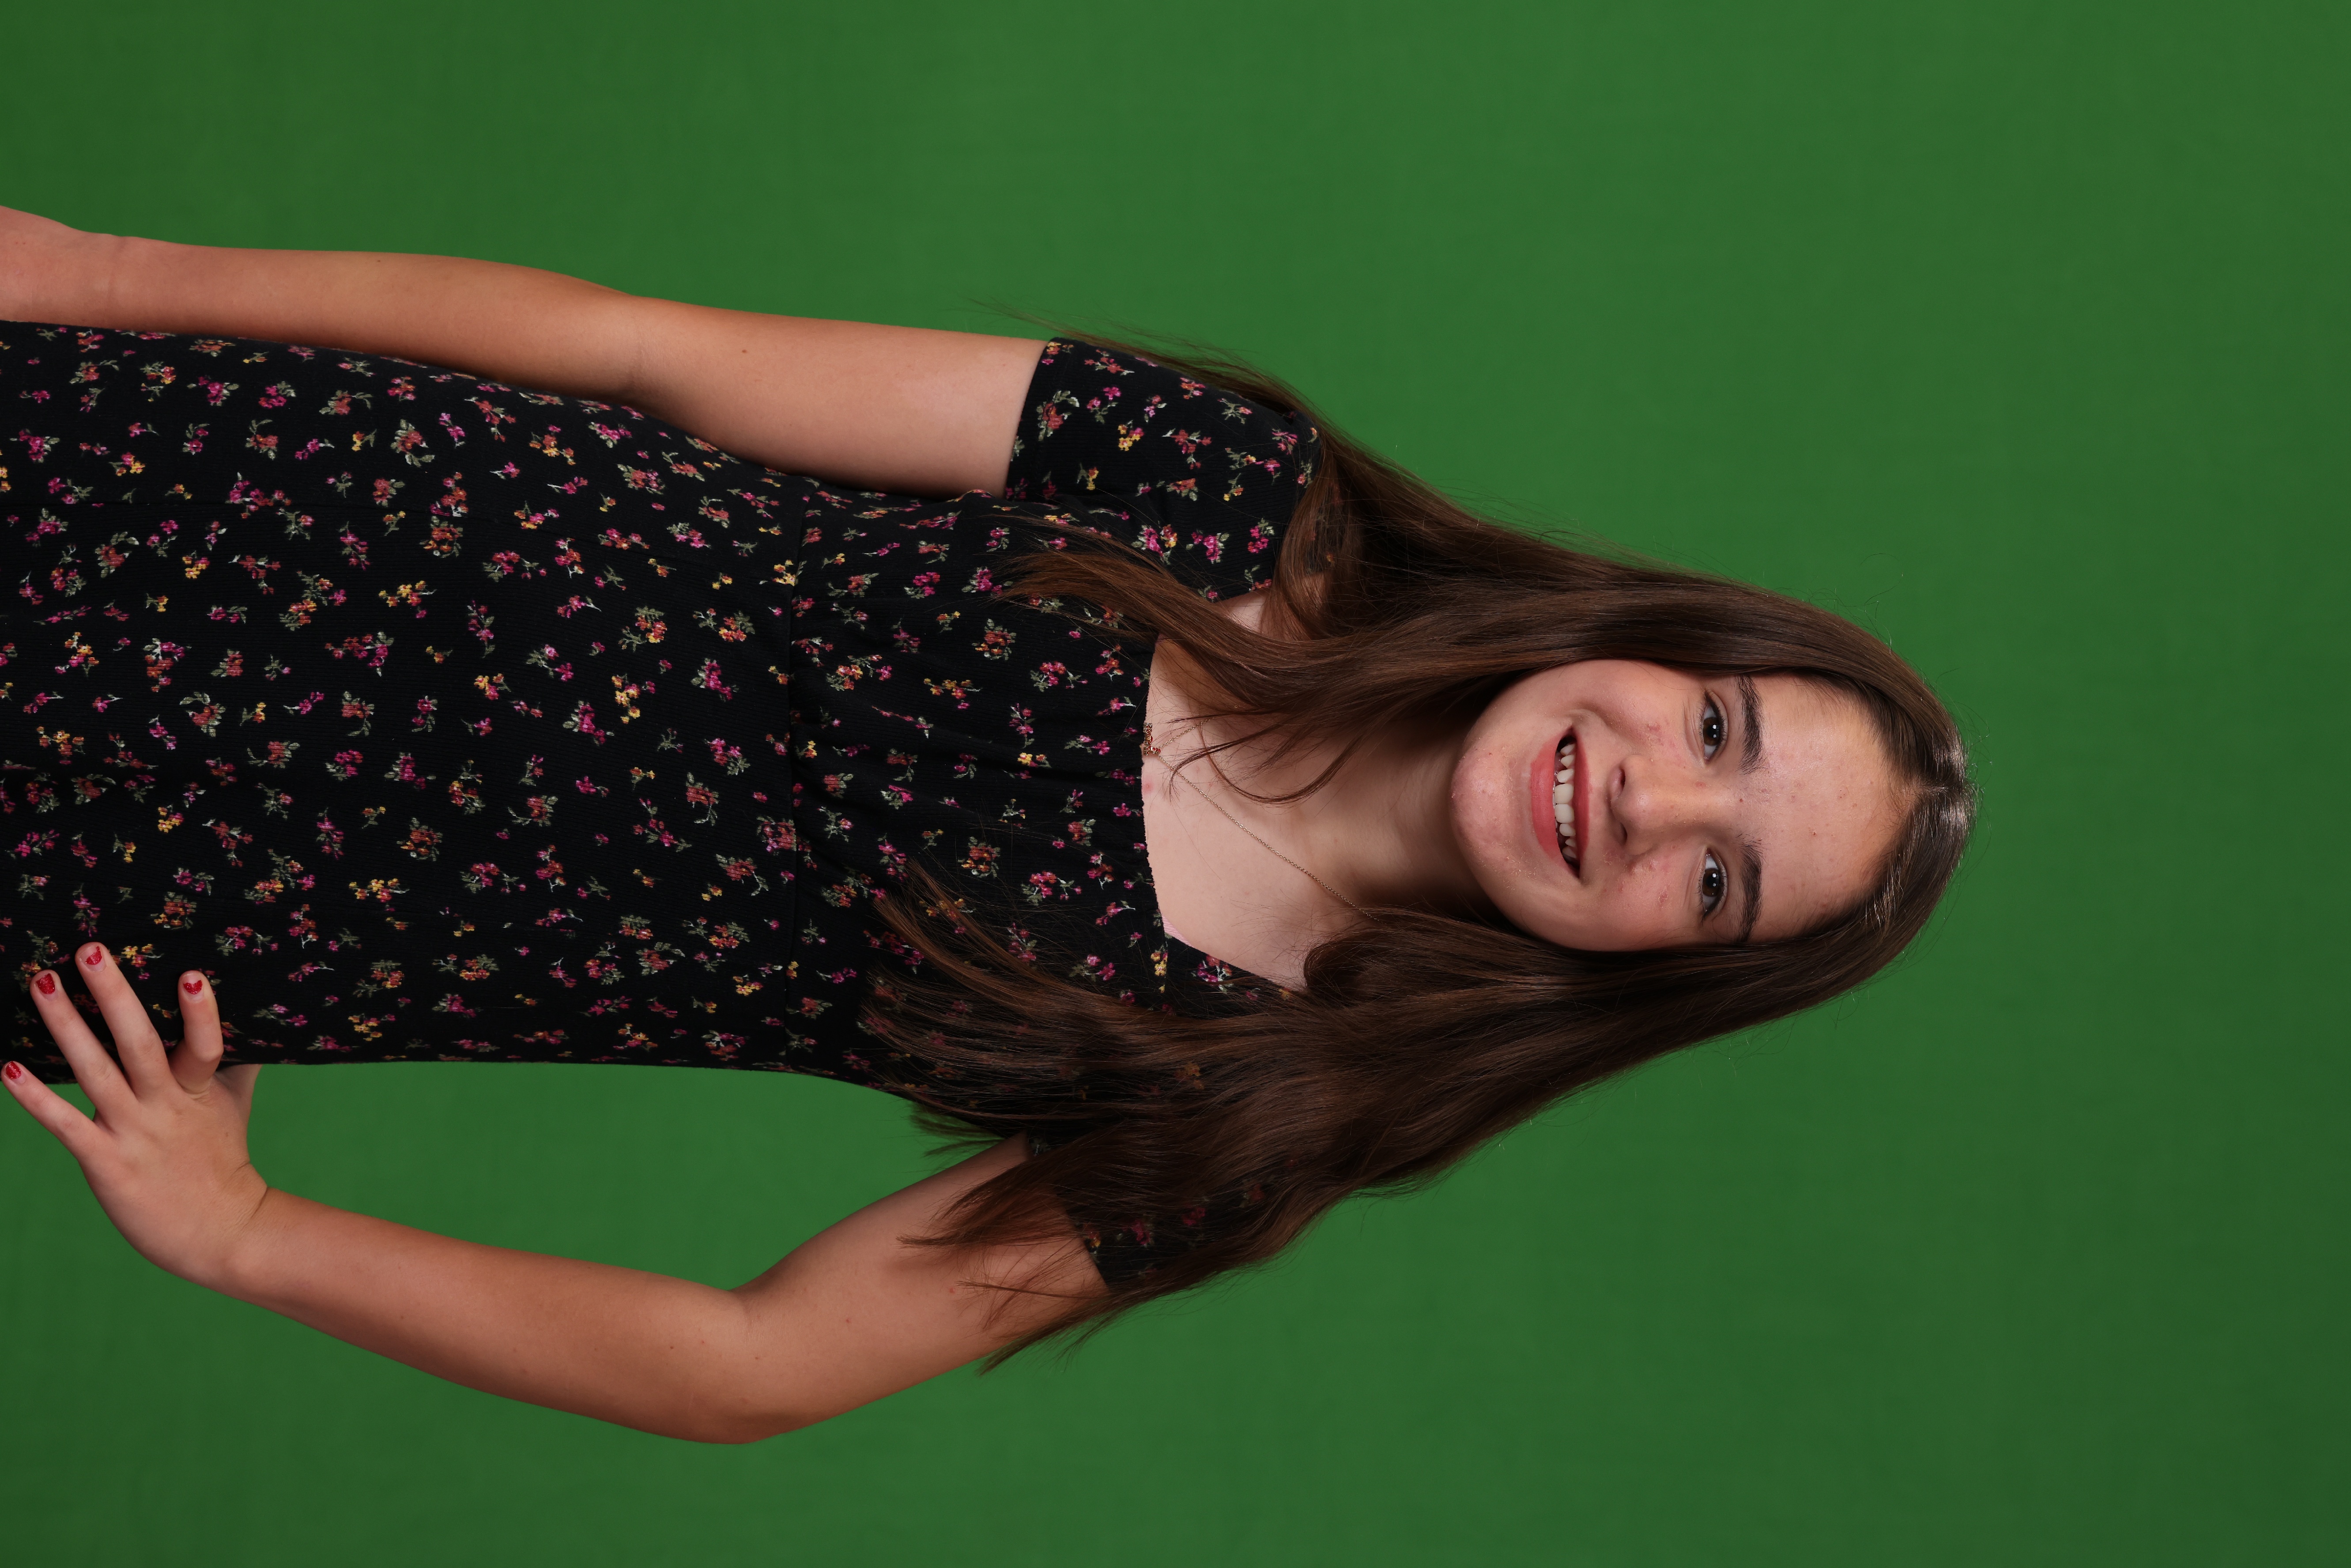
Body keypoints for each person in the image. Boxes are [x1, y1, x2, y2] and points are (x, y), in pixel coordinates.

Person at [0, 205, 1974, 1441]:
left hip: (188, 876)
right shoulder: (1229, 486)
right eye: (1715, 723)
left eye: (1718, 876)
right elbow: (646, 354)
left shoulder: (1245, 1107)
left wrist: (250, 1236)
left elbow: (755, 1364)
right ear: (1650, 638)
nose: (1647, 795)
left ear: (1662, 974)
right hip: (190, 489)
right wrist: (100, 280)